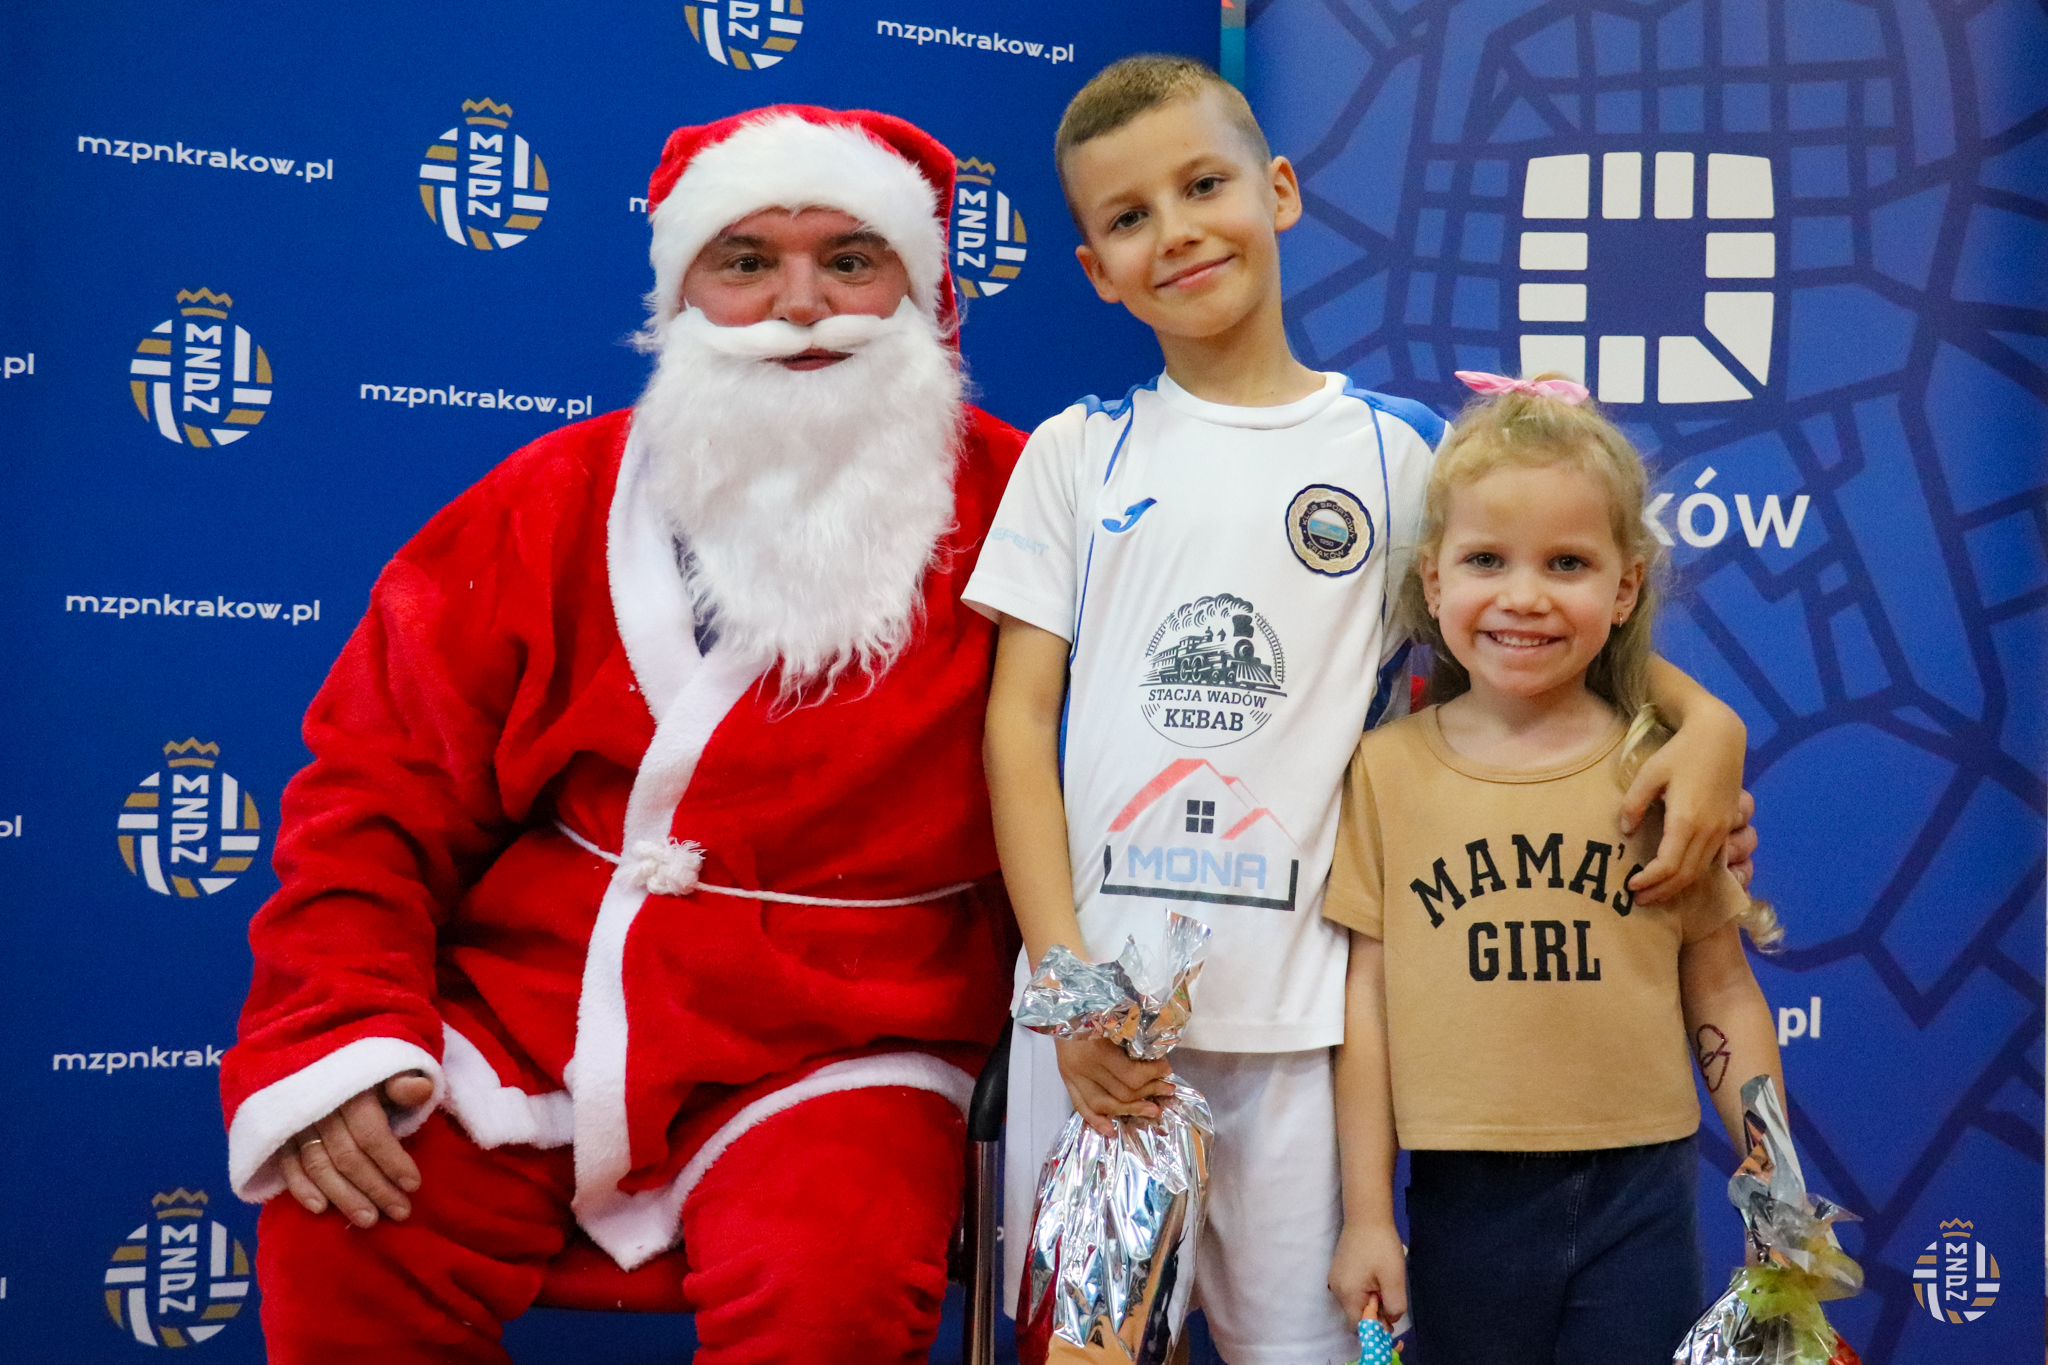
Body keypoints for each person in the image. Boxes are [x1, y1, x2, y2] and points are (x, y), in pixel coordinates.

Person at [966, 57, 1756, 1365]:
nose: (1177, 231)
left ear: (1277, 192)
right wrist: (1067, 989)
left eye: (1203, 185)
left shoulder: (1398, 455)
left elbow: (1532, 630)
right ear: (1096, 269)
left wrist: (1710, 729)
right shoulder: (1074, 451)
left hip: (1306, 1037)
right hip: (1102, 1042)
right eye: (1130, 217)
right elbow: (1016, 725)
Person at [220, 105, 1028, 1365]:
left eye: (850, 260)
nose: (800, 306)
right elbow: (373, 792)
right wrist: (341, 1027)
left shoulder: (1028, 510)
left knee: (833, 1282)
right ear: (681, 295)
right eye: (746, 261)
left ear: (926, 294)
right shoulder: (548, 501)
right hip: (539, 1006)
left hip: (853, 1029)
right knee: (350, 1228)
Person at [1321, 371, 1785, 1364]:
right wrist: (1366, 1213)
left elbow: (1720, 986)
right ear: (1433, 580)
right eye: (1485, 558)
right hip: (1462, 1195)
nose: (1523, 596)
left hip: (1643, 1192)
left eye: (1566, 562)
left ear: (1624, 587)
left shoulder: (1662, 772)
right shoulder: (1385, 770)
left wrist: (1774, 1170)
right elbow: (1366, 1005)